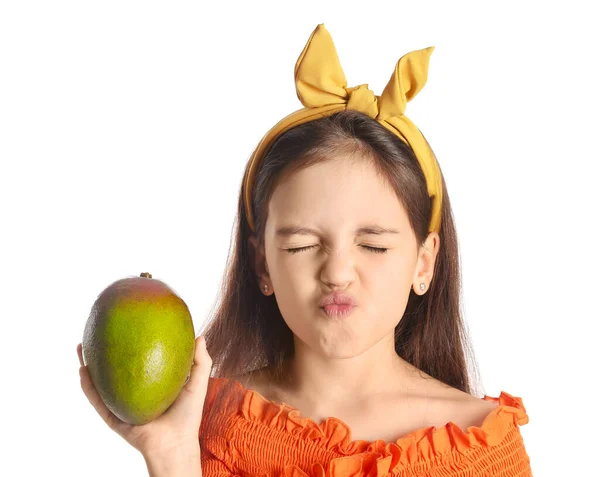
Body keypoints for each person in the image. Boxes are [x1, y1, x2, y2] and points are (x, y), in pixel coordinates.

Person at [79, 23, 533, 477]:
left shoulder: (483, 450)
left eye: (373, 245)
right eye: (303, 244)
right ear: (262, 264)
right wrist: (171, 455)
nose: (337, 272)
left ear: (424, 262)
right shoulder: (202, 425)